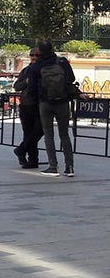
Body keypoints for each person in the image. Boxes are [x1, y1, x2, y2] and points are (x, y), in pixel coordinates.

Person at [27, 40, 83, 177]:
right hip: (63, 102)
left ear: (39, 51)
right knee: (64, 135)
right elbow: (70, 79)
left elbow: (31, 87)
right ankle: (69, 167)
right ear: (52, 48)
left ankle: (53, 166)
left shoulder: (37, 66)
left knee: (49, 135)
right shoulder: (62, 62)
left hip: (45, 103)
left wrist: (37, 99)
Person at [12, 47, 43, 169]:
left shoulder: (44, 70)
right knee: (28, 133)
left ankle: (21, 149)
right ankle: (32, 160)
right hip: (26, 105)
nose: (34, 57)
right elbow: (16, 86)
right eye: (32, 55)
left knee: (39, 131)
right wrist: (26, 82)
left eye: (37, 55)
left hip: (40, 105)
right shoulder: (26, 71)